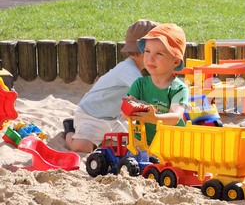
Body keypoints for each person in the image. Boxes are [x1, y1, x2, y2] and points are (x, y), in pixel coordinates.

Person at [64, 19, 160, 153]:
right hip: (91, 115)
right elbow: (147, 91)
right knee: (82, 147)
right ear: (143, 51)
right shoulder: (127, 69)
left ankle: (101, 137)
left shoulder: (134, 70)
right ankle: (69, 129)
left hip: (113, 118)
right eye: (156, 52)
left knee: (136, 136)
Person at [124, 23, 189, 146]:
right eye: (147, 51)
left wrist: (154, 119)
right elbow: (127, 113)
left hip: (171, 144)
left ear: (175, 61)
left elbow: (175, 117)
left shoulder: (178, 88)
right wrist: (127, 112)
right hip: (142, 142)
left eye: (159, 54)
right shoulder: (139, 84)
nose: (150, 58)